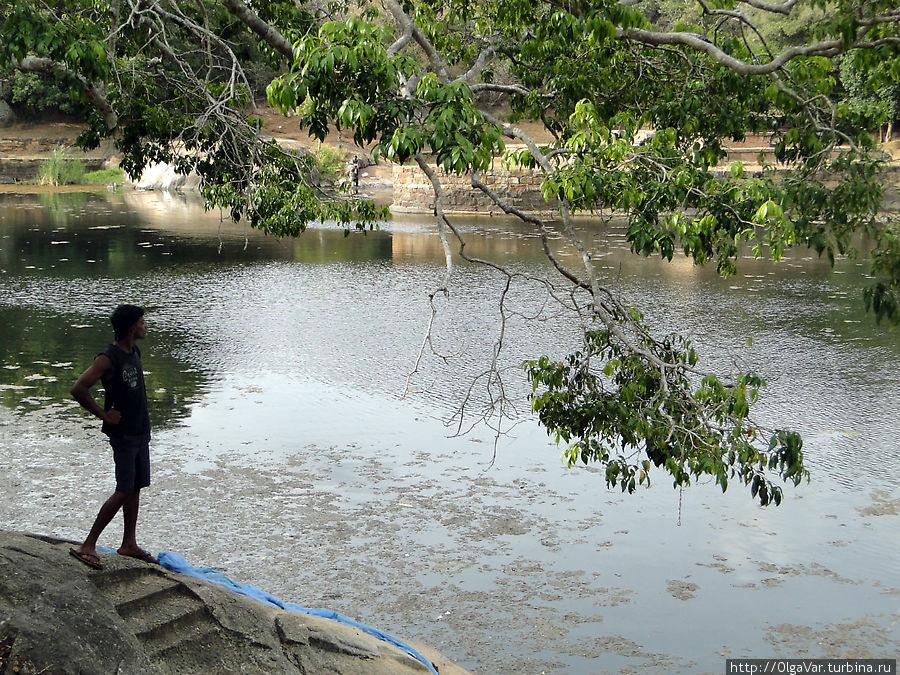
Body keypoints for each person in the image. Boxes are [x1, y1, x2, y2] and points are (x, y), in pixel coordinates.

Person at [68, 304, 157, 569]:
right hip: (124, 435)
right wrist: (104, 416)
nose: (145, 325)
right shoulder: (108, 358)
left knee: (136, 486)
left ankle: (129, 543)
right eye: (142, 322)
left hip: (140, 431)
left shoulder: (134, 351)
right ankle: (88, 544)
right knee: (123, 489)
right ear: (132, 327)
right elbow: (79, 388)